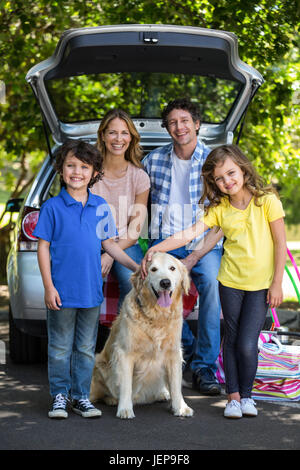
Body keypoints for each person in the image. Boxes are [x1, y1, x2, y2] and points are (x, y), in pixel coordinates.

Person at [142, 144, 286, 418]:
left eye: (231, 173)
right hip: (230, 281)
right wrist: (156, 248)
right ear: (213, 182)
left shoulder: (267, 201)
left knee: (247, 342)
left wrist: (277, 283)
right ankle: (233, 398)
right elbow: (187, 234)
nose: (226, 181)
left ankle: (247, 395)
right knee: (231, 339)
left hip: (260, 286)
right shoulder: (220, 208)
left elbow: (280, 244)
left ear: (243, 169)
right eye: (219, 178)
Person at [33, 139, 139, 419]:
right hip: (61, 292)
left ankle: (81, 396)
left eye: (84, 166)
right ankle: (59, 395)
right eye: (70, 165)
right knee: (59, 346)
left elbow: (111, 245)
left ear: (94, 173)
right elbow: (43, 247)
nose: (76, 171)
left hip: (91, 292)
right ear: (61, 170)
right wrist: (48, 286)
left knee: (84, 347)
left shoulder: (101, 206)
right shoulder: (52, 207)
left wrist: (134, 265)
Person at [142, 98, 224, 395]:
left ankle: (204, 368)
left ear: (197, 124)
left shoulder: (214, 161)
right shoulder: (153, 161)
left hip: (204, 245)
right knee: (150, 290)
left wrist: (195, 255)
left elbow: (222, 218)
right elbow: (136, 197)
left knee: (212, 287)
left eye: (185, 120)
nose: (180, 127)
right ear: (167, 128)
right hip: (163, 243)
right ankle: (185, 346)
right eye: (173, 122)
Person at [91, 109, 150, 312]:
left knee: (133, 281)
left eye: (124, 133)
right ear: (103, 136)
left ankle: (125, 336)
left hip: (124, 241)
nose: (118, 139)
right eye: (112, 132)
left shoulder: (139, 177)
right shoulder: (88, 171)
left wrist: (109, 254)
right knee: (87, 281)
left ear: (131, 137)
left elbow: (135, 231)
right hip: (90, 240)